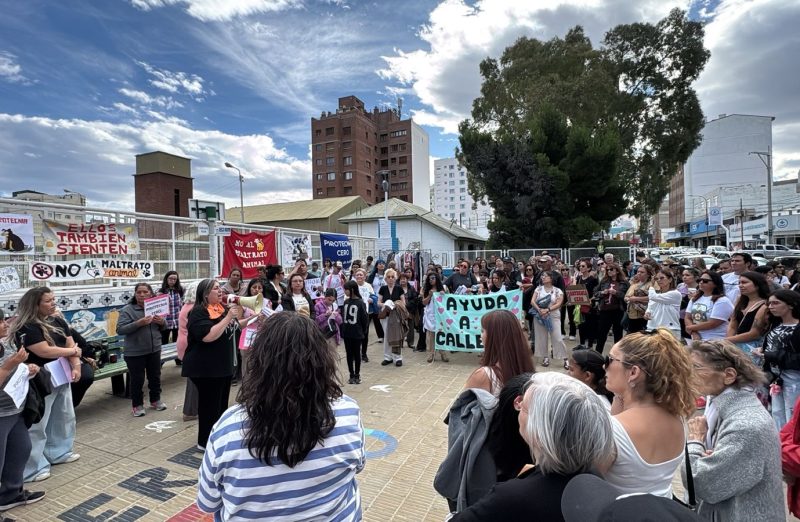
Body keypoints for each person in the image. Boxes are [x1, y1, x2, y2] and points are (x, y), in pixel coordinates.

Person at [197, 312, 365, 521]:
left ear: (260, 362)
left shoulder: (228, 428)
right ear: (322, 361)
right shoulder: (348, 413)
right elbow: (358, 465)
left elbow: (207, 501)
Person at [447, 372, 615, 521]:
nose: (518, 407)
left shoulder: (510, 498)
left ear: (541, 430)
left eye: (524, 406)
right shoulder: (596, 482)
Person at [683, 340, 782, 521]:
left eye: (695, 367)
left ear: (728, 375)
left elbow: (700, 483)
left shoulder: (745, 425)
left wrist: (695, 441)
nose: (687, 374)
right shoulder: (722, 407)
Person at [602, 329, 696, 497]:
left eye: (609, 360)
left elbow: (589, 479)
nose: (604, 366)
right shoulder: (677, 418)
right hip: (662, 505)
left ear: (633, 372)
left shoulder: (612, 429)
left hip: (619, 509)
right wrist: (620, 394)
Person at [9, 287, 81, 483]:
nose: (53, 303)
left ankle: (59, 452)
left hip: (62, 374)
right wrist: (73, 353)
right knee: (38, 423)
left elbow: (70, 343)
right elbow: (44, 351)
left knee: (63, 416)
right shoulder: (27, 326)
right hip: (39, 378)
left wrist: (76, 366)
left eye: (53, 299)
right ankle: (32, 467)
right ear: (35, 304)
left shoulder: (58, 321)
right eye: (48, 301)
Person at [183, 279, 240, 450]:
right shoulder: (198, 312)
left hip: (222, 367)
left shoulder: (220, 309)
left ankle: (218, 436)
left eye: (220, 288)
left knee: (221, 406)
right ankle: (205, 442)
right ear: (206, 294)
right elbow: (208, 336)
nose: (220, 290)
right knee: (209, 407)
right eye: (216, 288)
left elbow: (233, 328)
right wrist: (228, 317)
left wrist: (252, 318)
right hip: (206, 368)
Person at [0, 308, 45, 513]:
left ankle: (10, 494)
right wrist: (9, 365)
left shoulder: (6, 343)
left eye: (4, 320)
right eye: (1, 322)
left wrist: (28, 369)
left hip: (14, 409)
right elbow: (6, 369)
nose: (5, 324)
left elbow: (16, 368)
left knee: (21, 449)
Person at [116, 282, 167, 417]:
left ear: (151, 293)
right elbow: (120, 329)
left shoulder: (156, 307)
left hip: (154, 349)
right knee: (137, 380)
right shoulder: (128, 310)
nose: (142, 295)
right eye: (139, 292)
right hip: (135, 352)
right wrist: (139, 323)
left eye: (145, 292)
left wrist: (162, 322)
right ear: (135, 294)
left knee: (155, 377)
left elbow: (164, 327)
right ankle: (137, 405)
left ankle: (155, 400)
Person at [754, 289, 800, 429]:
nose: (771, 306)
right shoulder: (775, 324)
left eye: (776, 303)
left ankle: (791, 441)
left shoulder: (797, 327)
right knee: (777, 412)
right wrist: (763, 350)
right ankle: (781, 440)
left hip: (794, 378)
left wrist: (770, 355)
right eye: (769, 303)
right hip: (776, 377)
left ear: (791, 304)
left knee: (792, 415)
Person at [463, 310, 535, 397]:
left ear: (493, 336)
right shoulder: (526, 368)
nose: (480, 336)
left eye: (482, 331)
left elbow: (462, 404)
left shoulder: (483, 376)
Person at [725, 271, 770, 365]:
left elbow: (754, 333)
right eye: (739, 283)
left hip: (752, 347)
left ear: (757, 285)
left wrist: (727, 340)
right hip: (734, 343)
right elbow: (732, 324)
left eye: (744, 282)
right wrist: (729, 341)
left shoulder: (765, 305)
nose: (740, 285)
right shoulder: (740, 300)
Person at [532, 272, 569, 369]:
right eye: (542, 276)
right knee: (541, 338)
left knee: (558, 338)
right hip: (540, 315)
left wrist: (547, 310)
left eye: (545, 276)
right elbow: (532, 301)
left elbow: (559, 303)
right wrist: (539, 310)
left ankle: (565, 358)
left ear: (551, 278)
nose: (543, 277)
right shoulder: (538, 289)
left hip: (553, 315)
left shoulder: (558, 290)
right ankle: (545, 357)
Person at [685, 271, 735, 341]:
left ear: (715, 284)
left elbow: (713, 323)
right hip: (697, 339)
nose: (701, 282)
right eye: (699, 280)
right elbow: (688, 317)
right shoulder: (695, 298)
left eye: (705, 281)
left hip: (716, 340)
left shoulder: (722, 300)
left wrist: (690, 328)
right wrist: (693, 333)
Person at [176, 280, 199, 422]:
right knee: (194, 379)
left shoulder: (188, 305)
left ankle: (193, 409)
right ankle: (190, 411)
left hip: (185, 343)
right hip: (190, 346)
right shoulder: (193, 309)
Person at [593, 262, 629, 354]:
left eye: (611, 269)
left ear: (617, 271)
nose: (609, 271)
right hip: (605, 311)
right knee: (601, 334)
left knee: (618, 335)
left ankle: (616, 356)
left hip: (618, 311)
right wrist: (602, 292)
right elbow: (595, 292)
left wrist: (616, 293)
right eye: (607, 270)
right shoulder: (604, 281)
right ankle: (597, 355)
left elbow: (627, 297)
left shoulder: (624, 282)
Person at [341, 281, 369, 385]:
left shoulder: (360, 302)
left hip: (357, 333)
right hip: (347, 332)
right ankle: (351, 374)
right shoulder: (346, 302)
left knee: (357, 354)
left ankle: (357, 374)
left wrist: (363, 331)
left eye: (346, 289)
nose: (345, 291)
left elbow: (364, 319)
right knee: (349, 354)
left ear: (352, 290)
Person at [378, 268, 405, 367]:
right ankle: (387, 357)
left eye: (392, 277)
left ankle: (398, 358)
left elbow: (403, 302)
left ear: (395, 278)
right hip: (385, 316)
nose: (390, 279)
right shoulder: (382, 289)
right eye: (388, 277)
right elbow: (378, 302)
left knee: (396, 336)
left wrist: (395, 305)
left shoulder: (399, 288)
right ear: (385, 279)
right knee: (387, 336)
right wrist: (386, 304)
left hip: (396, 316)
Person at [644, 269, 682, 338]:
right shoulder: (656, 294)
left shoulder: (675, 294)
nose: (659, 280)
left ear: (670, 279)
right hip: (652, 328)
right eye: (656, 279)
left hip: (669, 329)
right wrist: (647, 313)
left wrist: (651, 285)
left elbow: (652, 297)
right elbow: (650, 307)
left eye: (662, 278)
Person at [422, 271, 448, 363]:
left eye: (433, 278)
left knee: (441, 335)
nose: (431, 280)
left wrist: (443, 294)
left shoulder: (443, 288)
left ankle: (443, 353)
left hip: (440, 315)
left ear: (437, 279)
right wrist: (430, 295)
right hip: (430, 315)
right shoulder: (426, 290)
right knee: (430, 336)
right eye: (429, 279)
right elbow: (424, 302)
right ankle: (431, 354)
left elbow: (448, 301)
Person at [158, 270, 184, 352]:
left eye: (174, 279)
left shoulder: (180, 290)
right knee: (164, 341)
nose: (172, 281)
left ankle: (177, 357)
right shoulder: (161, 291)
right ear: (166, 279)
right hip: (165, 321)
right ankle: (162, 358)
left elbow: (183, 304)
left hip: (177, 320)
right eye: (170, 279)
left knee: (177, 341)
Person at [575, 259, 599, 349]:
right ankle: (582, 344)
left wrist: (590, 300)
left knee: (590, 325)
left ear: (588, 268)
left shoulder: (593, 280)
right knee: (581, 325)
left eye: (583, 266)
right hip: (580, 305)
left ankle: (590, 346)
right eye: (580, 266)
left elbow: (596, 293)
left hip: (590, 306)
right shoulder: (579, 278)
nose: (581, 267)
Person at [624, 264, 654, 334]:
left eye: (642, 272)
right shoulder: (634, 284)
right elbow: (626, 297)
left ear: (648, 274)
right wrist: (628, 299)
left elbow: (654, 298)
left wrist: (636, 299)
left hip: (644, 315)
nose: (639, 273)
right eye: (638, 272)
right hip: (632, 315)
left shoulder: (651, 284)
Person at [367, 259, 386, 341]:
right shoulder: (372, 276)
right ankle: (380, 336)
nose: (381, 265)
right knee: (376, 318)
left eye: (383, 263)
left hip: (385, 299)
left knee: (385, 317)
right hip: (375, 299)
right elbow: (369, 287)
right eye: (379, 263)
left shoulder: (387, 275)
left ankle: (387, 334)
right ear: (376, 265)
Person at [398, 271, 418, 350]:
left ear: (407, 280)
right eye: (401, 279)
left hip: (410, 310)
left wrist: (408, 305)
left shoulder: (411, 288)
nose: (403, 280)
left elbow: (415, 299)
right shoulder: (397, 288)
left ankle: (410, 343)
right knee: (400, 327)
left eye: (404, 279)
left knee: (411, 327)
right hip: (400, 310)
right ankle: (400, 343)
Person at [679, 268, 700, 338]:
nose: (684, 277)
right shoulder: (681, 288)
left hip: (696, 318)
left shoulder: (700, 289)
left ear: (696, 277)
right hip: (682, 317)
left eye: (687, 275)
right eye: (683, 275)